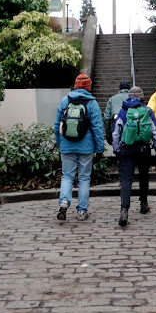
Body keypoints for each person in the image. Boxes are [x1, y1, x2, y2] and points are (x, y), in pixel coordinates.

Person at [54, 73, 104, 221]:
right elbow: (97, 128)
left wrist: (60, 143)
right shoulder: (92, 103)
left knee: (67, 176)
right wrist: (99, 148)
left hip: (67, 145)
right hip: (86, 147)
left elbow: (57, 125)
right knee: (84, 178)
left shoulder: (65, 100)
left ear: (75, 85)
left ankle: (64, 202)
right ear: (88, 86)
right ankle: (82, 211)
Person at [112, 86, 156, 227]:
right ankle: (143, 203)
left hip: (127, 150)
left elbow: (116, 133)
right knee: (143, 176)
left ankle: (124, 209)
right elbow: (155, 131)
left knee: (126, 180)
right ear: (142, 97)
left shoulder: (123, 111)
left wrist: (117, 150)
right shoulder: (147, 111)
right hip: (143, 149)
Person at [103, 80, 130, 145]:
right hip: (131, 124)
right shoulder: (133, 98)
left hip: (116, 123)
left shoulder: (112, 99)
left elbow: (106, 118)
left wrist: (108, 134)